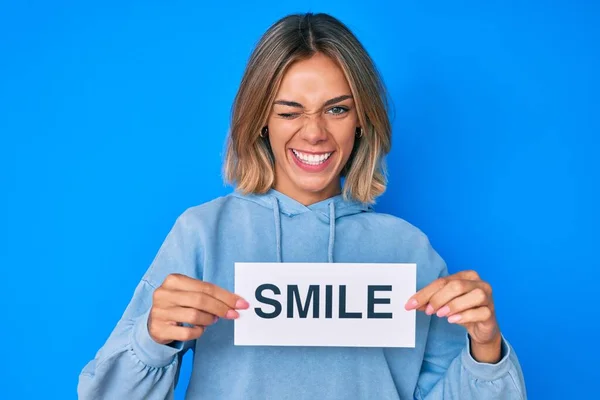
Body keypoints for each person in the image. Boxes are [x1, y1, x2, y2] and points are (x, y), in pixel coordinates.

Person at [78, 12, 527, 400]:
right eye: (289, 111)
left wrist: (485, 346)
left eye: (336, 110)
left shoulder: (409, 251)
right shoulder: (202, 234)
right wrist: (153, 336)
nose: (314, 133)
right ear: (259, 122)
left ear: (362, 121)